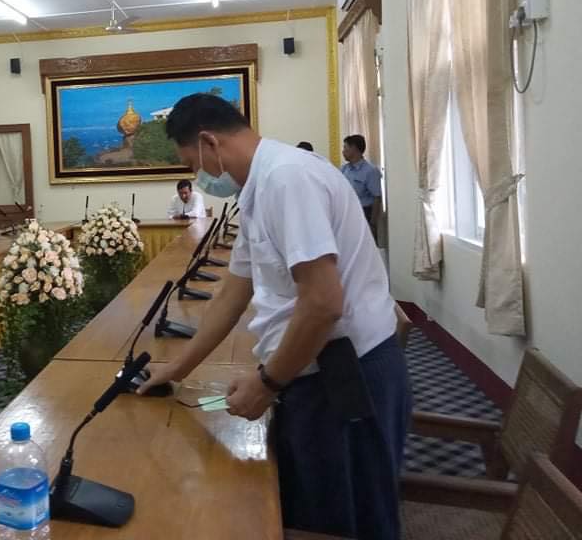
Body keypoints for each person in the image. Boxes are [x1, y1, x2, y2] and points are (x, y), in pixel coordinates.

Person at [139, 93, 410, 540]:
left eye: (191, 164)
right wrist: (178, 368)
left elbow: (322, 303)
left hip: (345, 376)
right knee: (307, 510)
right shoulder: (258, 189)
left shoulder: (287, 180)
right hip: (310, 371)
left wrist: (267, 383)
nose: (196, 177)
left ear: (209, 142)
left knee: (347, 522)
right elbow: (234, 291)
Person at [341, 134, 383, 232]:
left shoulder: (370, 171)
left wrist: (372, 224)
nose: (343, 151)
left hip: (364, 213)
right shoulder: (344, 169)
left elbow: (377, 198)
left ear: (354, 148)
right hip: (347, 214)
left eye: (345, 147)